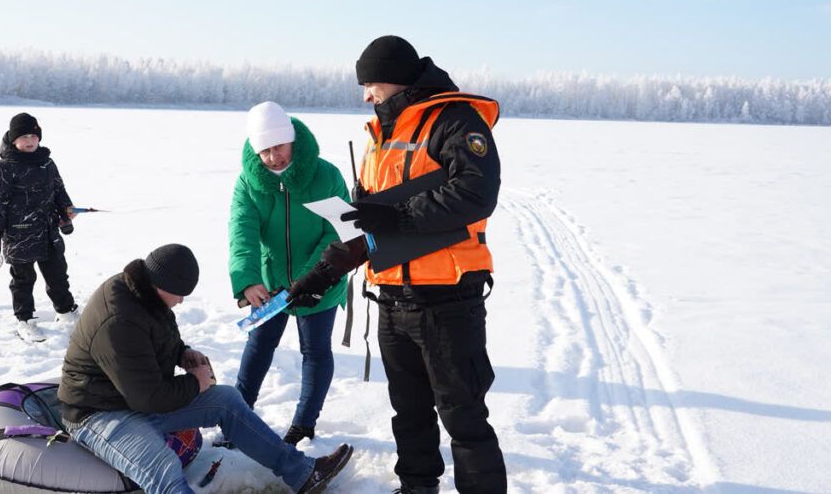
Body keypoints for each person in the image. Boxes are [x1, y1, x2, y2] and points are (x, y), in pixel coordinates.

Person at [290, 36, 508, 493]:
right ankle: (416, 488)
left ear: (395, 79)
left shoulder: (454, 120)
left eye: (370, 85)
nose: (366, 96)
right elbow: (369, 227)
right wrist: (322, 273)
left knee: (464, 416)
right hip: (392, 301)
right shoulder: (381, 136)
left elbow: (476, 193)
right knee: (408, 413)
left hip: (448, 300)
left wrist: (398, 216)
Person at [57, 244, 354, 494]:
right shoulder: (119, 319)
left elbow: (154, 339)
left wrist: (182, 353)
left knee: (227, 401)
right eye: (179, 294)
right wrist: (195, 383)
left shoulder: (143, 291)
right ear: (161, 285)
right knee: (163, 468)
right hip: (98, 413)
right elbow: (148, 398)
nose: (181, 301)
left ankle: (303, 474)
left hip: (132, 398)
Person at [227, 101, 350, 445]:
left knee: (316, 351)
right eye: (264, 151)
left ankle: (303, 426)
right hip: (271, 285)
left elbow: (338, 232)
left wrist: (311, 278)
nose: (273, 157)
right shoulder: (248, 182)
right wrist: (248, 280)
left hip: (322, 281)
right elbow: (242, 232)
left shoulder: (326, 175)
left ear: (291, 139)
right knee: (258, 347)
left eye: (278, 146)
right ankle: (237, 418)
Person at [0, 112, 79, 340]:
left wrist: (66, 209)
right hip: (19, 235)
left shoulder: (47, 162)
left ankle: (66, 312)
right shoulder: (5, 167)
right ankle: (25, 321)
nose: (30, 140)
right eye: (24, 136)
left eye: (34, 136)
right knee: (23, 281)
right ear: (13, 139)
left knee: (58, 275)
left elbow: (59, 190)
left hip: (48, 231)